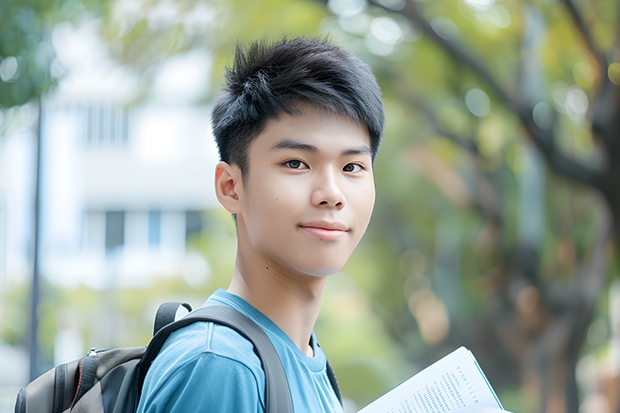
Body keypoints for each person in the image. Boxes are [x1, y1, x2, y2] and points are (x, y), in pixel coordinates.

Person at [136, 36, 385, 412]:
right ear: (231, 187)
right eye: (296, 163)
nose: (331, 194)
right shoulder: (221, 365)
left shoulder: (304, 361)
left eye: (352, 167)